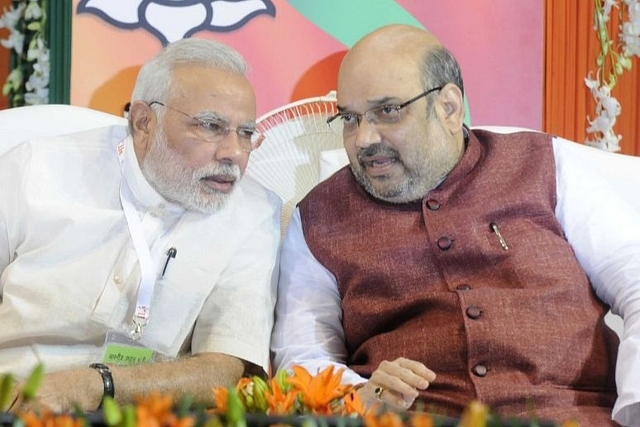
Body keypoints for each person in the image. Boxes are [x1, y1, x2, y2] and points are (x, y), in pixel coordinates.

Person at [271, 24, 640, 427]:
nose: (363, 139)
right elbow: (302, 358)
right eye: (350, 118)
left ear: (448, 107)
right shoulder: (318, 216)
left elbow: (635, 276)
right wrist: (359, 395)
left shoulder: (546, 166)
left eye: (388, 111)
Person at [0, 38, 281, 412]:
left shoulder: (254, 211)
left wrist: (96, 384)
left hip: (144, 414)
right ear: (144, 121)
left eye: (245, 133)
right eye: (211, 126)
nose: (233, 153)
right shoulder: (35, 169)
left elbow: (226, 368)